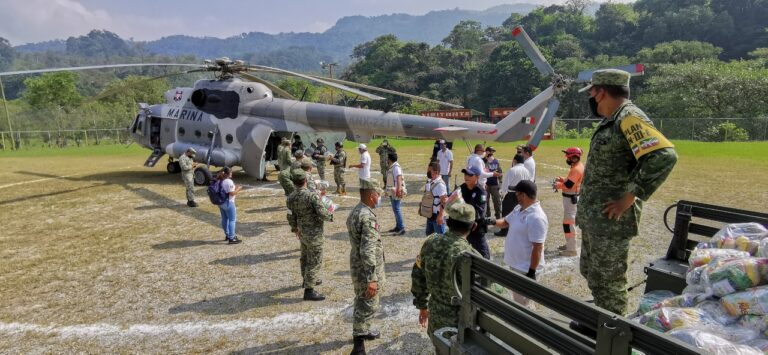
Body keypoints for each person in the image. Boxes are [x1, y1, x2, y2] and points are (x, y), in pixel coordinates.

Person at [576, 69, 677, 315]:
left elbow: (664, 156)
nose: (590, 96)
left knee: (609, 282)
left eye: (591, 91)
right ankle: (600, 320)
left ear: (600, 92)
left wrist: (628, 197)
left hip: (611, 221)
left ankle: (612, 335)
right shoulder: (613, 120)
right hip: (596, 219)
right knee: (592, 273)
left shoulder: (629, 117)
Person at [411, 202, 481, 345]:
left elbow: (418, 276)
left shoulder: (430, 242)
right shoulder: (471, 256)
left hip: (436, 320)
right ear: (473, 226)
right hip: (460, 326)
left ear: (448, 222)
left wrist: (422, 306)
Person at [487, 180, 548, 307]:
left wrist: (531, 272)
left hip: (525, 269)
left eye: (517, 193)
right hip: (516, 265)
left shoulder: (537, 218)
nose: (515, 195)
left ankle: (528, 325)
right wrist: (491, 221)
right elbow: (506, 222)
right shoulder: (519, 208)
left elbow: (538, 247)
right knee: (519, 301)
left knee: (524, 305)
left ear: (523, 195)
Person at [346, 178, 386, 355]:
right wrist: (372, 278)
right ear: (371, 196)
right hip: (366, 269)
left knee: (363, 300)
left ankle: (366, 330)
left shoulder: (357, 211)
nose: (379, 198)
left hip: (357, 263)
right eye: (378, 194)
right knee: (367, 303)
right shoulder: (367, 217)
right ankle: (359, 346)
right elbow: (368, 250)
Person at [286, 168, 333, 301]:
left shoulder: (291, 197)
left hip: (302, 232)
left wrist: (295, 228)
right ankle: (309, 290)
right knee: (315, 260)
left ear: (294, 182)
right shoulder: (311, 196)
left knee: (305, 257)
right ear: (305, 180)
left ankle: (306, 279)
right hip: (314, 233)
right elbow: (322, 213)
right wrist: (331, 214)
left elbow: (290, 215)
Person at [553, 147, 585, 257]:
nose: (567, 158)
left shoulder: (576, 169)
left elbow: (569, 185)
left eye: (569, 157)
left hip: (571, 199)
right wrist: (562, 179)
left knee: (568, 223)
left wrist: (558, 185)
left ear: (574, 157)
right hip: (570, 199)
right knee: (567, 223)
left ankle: (572, 249)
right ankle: (569, 244)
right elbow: (571, 180)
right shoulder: (576, 167)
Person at [495, 154, 532, 236]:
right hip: (523, 194)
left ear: (515, 161)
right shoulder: (526, 171)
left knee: (507, 212)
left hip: (512, 194)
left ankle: (505, 231)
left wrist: (502, 193)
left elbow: (506, 184)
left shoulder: (512, 170)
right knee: (520, 212)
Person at [459, 166, 489, 259]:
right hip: (463, 227)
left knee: (483, 255)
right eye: (465, 174)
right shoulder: (462, 187)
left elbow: (480, 212)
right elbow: (452, 199)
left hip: (476, 228)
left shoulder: (481, 192)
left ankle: (486, 271)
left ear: (477, 177)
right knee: (465, 253)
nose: (466, 177)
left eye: (470, 175)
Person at [217, 167, 243, 244]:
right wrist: (239, 188)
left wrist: (234, 187)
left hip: (221, 203)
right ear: (228, 173)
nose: (232, 174)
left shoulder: (220, 180)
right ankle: (232, 238)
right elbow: (232, 193)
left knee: (224, 219)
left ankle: (227, 235)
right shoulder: (229, 181)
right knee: (232, 220)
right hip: (229, 203)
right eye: (231, 172)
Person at [423, 162, 448, 236]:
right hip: (430, 215)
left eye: (429, 170)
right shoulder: (430, 181)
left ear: (436, 172)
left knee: (440, 239)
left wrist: (440, 216)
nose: (428, 172)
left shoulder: (440, 185)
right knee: (429, 236)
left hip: (437, 216)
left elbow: (443, 201)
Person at [385, 152, 406, 235]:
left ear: (390, 159)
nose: (386, 159)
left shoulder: (396, 167)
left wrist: (399, 190)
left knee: (396, 209)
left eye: (387, 158)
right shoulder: (393, 166)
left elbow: (399, 178)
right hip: (392, 191)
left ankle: (401, 228)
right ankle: (398, 226)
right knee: (395, 209)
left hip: (396, 191)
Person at [483, 146, 502, 220]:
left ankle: (498, 217)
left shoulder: (496, 161)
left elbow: (500, 172)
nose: (492, 153)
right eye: (490, 151)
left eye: (493, 152)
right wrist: (487, 161)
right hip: (486, 185)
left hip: (494, 185)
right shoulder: (482, 161)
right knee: (485, 201)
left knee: (497, 201)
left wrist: (500, 182)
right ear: (486, 152)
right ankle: (487, 216)